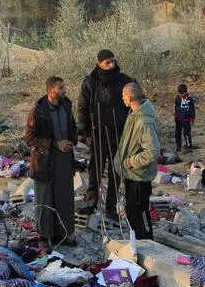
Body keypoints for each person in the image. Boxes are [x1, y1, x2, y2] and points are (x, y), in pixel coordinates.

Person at [76, 49, 133, 220]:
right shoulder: (90, 82)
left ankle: (111, 207)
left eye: (113, 61)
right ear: (99, 63)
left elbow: (134, 104)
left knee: (116, 172)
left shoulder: (124, 80)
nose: (111, 65)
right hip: (98, 134)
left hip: (119, 133)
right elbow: (82, 108)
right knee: (95, 170)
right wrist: (85, 133)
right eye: (107, 62)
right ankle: (91, 203)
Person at [25, 76, 78, 246]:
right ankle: (44, 236)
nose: (64, 90)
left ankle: (64, 235)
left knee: (65, 197)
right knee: (45, 199)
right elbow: (30, 138)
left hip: (64, 159)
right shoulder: (38, 111)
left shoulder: (67, 105)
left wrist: (72, 141)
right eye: (60, 88)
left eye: (64, 87)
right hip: (44, 161)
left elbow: (73, 128)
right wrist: (55, 144)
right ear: (51, 90)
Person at [114, 82, 160, 240]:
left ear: (129, 97)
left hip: (140, 176)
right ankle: (139, 244)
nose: (122, 98)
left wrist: (131, 162)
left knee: (140, 215)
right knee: (132, 213)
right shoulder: (134, 115)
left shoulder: (144, 121)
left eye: (123, 96)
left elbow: (153, 151)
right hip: (132, 175)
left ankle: (147, 243)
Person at [174, 83, 196, 152]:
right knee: (177, 133)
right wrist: (175, 116)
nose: (180, 95)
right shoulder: (177, 98)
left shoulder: (190, 99)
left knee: (186, 133)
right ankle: (178, 146)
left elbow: (192, 110)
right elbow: (175, 107)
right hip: (178, 119)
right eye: (179, 93)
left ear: (185, 92)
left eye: (182, 93)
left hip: (186, 120)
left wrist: (192, 119)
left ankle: (188, 146)